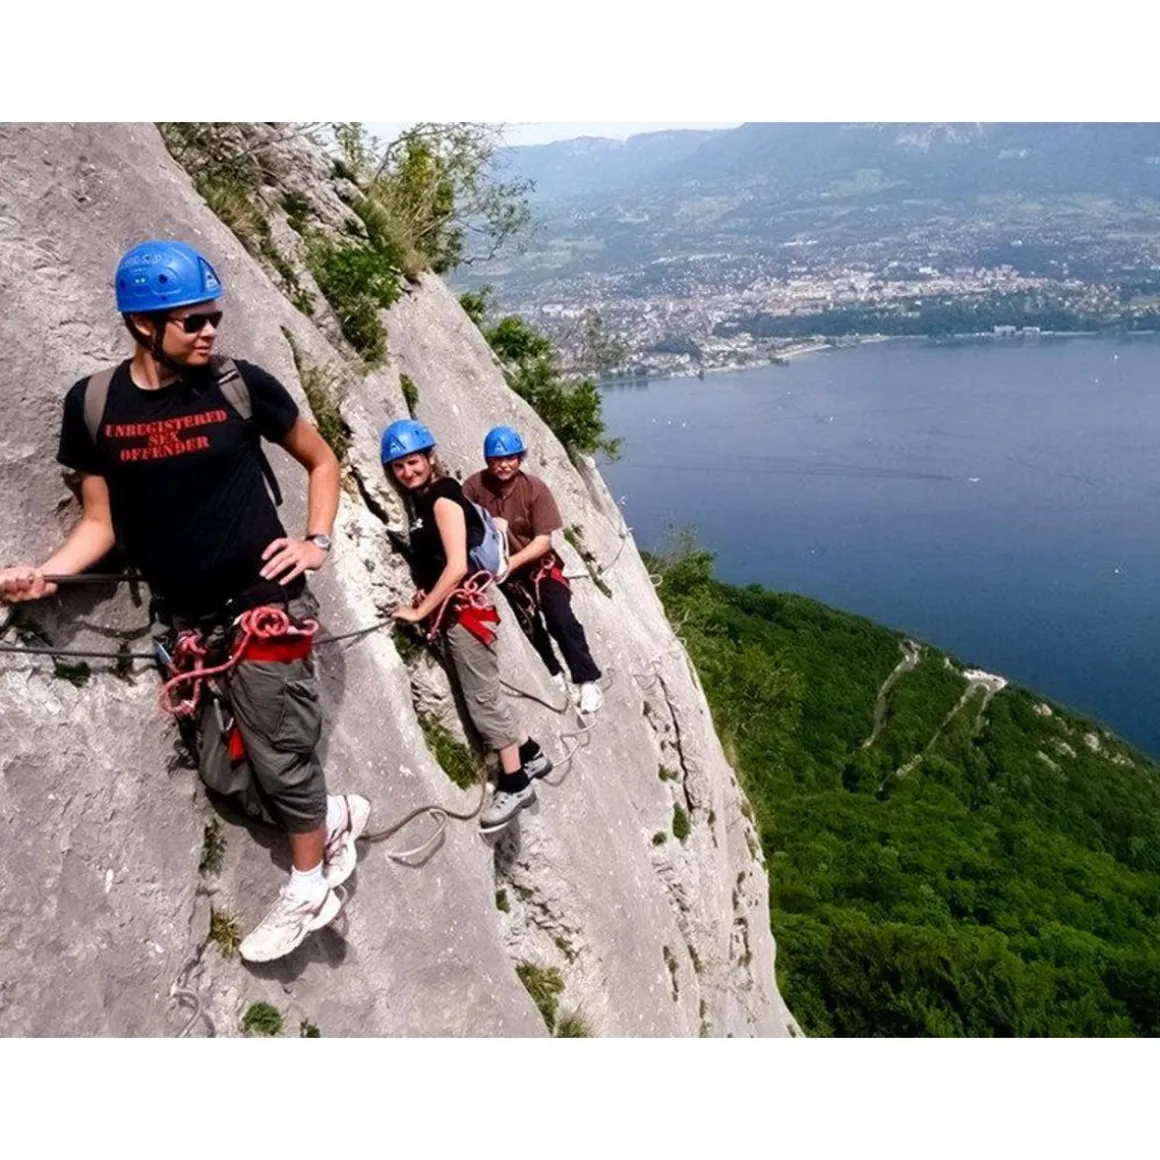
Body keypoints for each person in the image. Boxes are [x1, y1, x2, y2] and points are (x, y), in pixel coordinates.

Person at [0, 240, 369, 964]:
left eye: (214, 317)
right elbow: (101, 523)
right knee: (227, 774)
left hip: (263, 602)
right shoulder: (96, 405)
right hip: (189, 621)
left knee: (282, 754)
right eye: (192, 320)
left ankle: (309, 888)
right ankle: (329, 817)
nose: (209, 331)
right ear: (143, 325)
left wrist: (315, 541)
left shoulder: (239, 385)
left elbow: (322, 459)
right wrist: (46, 574)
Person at [381, 418, 552, 833]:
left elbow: (457, 565)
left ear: (431, 457)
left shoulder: (441, 497)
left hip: (465, 614)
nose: (408, 471)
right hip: (458, 609)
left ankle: (515, 782)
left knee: (482, 700)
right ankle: (530, 751)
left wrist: (420, 612)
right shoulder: (425, 500)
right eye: (399, 466)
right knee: (486, 692)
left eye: (414, 461)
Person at [463, 426, 604, 715]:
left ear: (520, 458)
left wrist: (510, 563)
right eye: (497, 459)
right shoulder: (476, 487)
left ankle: (586, 680)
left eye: (510, 458)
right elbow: (459, 515)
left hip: (538, 566)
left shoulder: (534, 489)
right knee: (528, 624)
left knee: (560, 618)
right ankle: (553, 672)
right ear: (487, 460)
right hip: (504, 573)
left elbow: (543, 541)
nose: (504, 464)